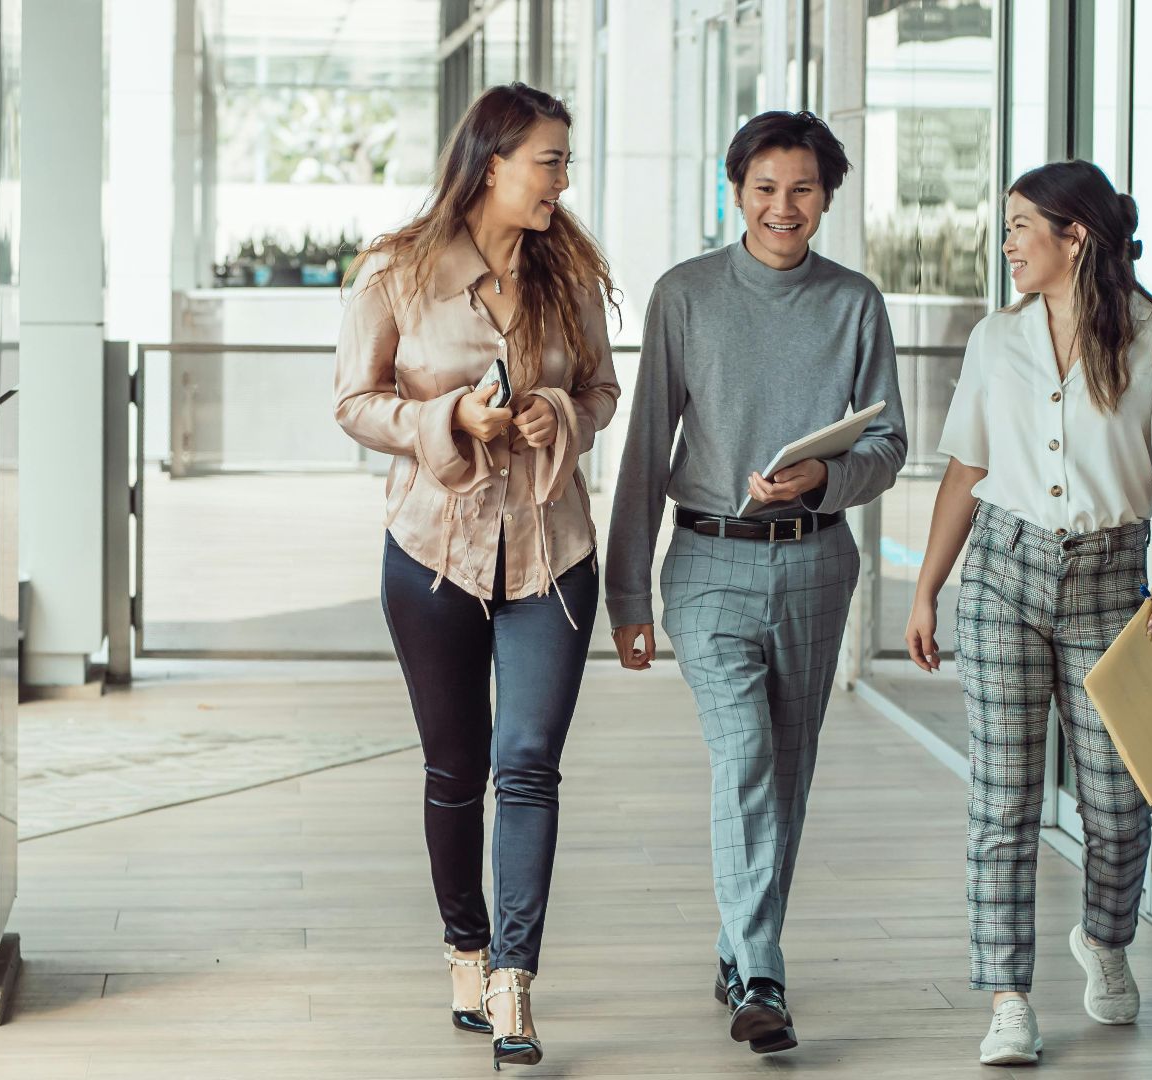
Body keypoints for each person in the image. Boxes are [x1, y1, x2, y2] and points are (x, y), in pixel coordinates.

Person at [604, 110, 907, 1055]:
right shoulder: (685, 295)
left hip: (817, 562)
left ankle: (741, 949)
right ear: (736, 192)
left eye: (804, 190)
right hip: (707, 562)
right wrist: (624, 598)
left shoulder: (856, 303)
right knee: (744, 757)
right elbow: (647, 445)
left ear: (827, 198)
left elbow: (888, 445)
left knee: (789, 768)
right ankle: (762, 973)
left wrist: (825, 476)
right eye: (766, 188)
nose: (785, 207)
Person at [333, 82, 619, 1070]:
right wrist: (450, 418)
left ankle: (513, 980)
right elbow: (356, 402)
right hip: (431, 554)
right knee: (457, 772)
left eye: (564, 162)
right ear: (492, 160)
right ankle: (465, 946)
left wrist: (556, 413)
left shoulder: (569, 275)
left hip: (555, 554)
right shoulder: (397, 271)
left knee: (529, 764)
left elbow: (601, 389)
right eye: (549, 160)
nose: (562, 179)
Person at [903, 160, 1152, 1066]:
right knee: (1004, 802)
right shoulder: (995, 341)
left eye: (1019, 229)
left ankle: (1105, 939)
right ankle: (1008, 998)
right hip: (1002, 574)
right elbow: (965, 469)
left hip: (1115, 586)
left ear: (1074, 238)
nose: (1006, 246)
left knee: (1120, 804)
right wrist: (927, 586)